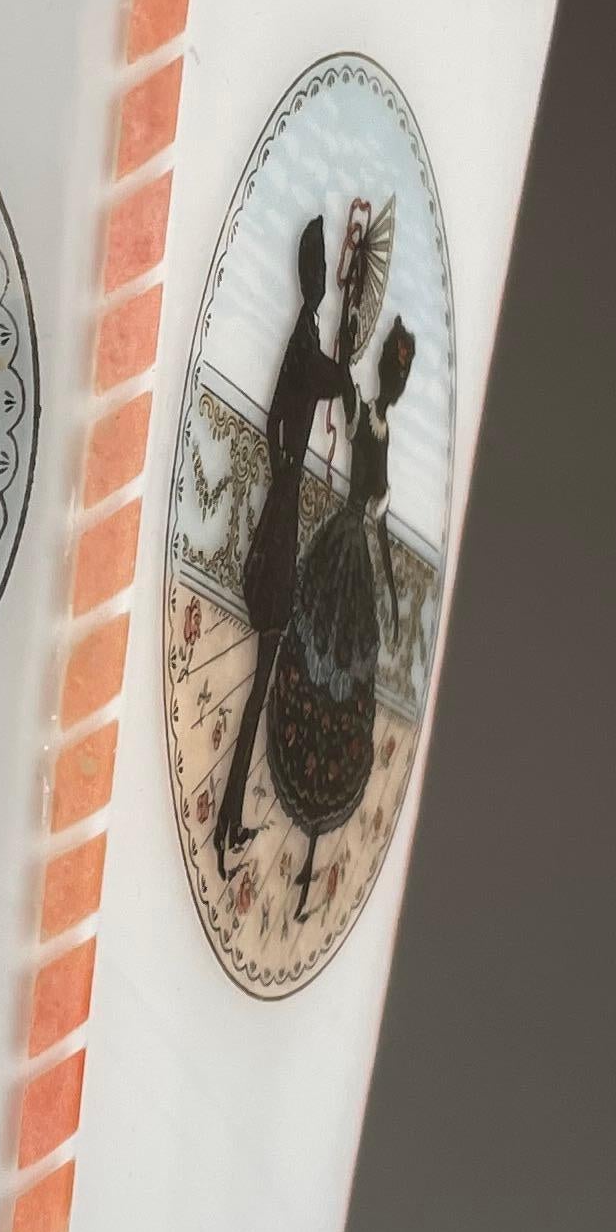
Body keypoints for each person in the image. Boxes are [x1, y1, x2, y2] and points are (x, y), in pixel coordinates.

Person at [213, 212, 352, 871]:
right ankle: (228, 818)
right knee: (260, 685)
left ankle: (230, 816)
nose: (319, 282)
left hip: (282, 513)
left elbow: (309, 394)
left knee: (260, 690)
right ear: (308, 279)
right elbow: (318, 385)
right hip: (279, 528)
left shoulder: (307, 338)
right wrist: (345, 369)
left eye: (322, 274)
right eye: (317, 273)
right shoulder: (301, 337)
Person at [268, 312, 416, 914]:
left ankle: (310, 853)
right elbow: (346, 387)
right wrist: (351, 326)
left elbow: (380, 521)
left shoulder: (383, 428)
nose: (392, 387)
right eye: (393, 374)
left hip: (353, 551)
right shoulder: (364, 413)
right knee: (316, 662)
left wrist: (392, 593)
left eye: (396, 378)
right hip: (341, 544)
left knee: (346, 677)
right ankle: (302, 839)